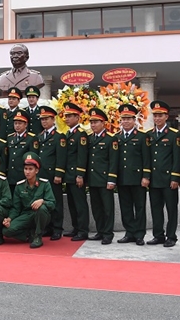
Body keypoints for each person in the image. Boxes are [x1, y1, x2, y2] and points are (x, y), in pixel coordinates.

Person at [147, 101, 180, 247]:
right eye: (155, 115)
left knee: (171, 209)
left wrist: (175, 177)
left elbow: (177, 158)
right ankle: (158, 235)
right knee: (156, 209)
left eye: (160, 115)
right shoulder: (149, 135)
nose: (157, 118)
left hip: (169, 180)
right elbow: (147, 158)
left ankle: (171, 236)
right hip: (154, 179)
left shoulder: (174, 135)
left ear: (166, 116)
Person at [2, 152, 56, 249]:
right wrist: (9, 219)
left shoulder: (45, 184)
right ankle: (28, 234)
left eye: (30, 169)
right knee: (6, 231)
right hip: (26, 215)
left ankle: (38, 236)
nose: (27, 172)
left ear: (36, 170)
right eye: (26, 169)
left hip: (40, 215)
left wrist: (42, 201)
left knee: (42, 208)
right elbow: (16, 208)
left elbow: (52, 204)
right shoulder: (19, 186)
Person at [115, 104, 151, 246]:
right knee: (126, 207)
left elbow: (146, 158)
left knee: (140, 207)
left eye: (129, 119)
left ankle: (139, 234)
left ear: (134, 120)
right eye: (123, 119)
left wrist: (146, 176)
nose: (126, 121)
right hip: (123, 178)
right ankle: (129, 232)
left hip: (138, 179)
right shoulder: (117, 137)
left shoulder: (142, 137)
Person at [86, 108, 118, 244]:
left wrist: (111, 179)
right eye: (91, 122)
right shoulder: (89, 139)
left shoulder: (111, 139)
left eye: (96, 122)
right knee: (96, 208)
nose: (93, 125)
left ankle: (108, 233)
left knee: (107, 208)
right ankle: (100, 231)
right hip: (93, 179)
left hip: (105, 180)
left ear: (103, 123)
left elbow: (113, 161)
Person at [36, 105, 66, 240]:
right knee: (44, 203)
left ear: (53, 120)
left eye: (46, 119)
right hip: (42, 175)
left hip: (53, 175)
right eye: (42, 119)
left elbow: (61, 157)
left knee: (56, 202)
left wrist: (59, 174)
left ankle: (57, 228)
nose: (44, 122)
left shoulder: (59, 137)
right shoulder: (40, 136)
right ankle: (47, 227)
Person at [61, 102, 89, 241]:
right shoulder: (68, 133)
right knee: (72, 204)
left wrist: (80, 175)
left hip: (76, 175)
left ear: (78, 118)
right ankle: (76, 228)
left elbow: (82, 156)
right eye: (66, 116)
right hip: (68, 175)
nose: (66, 119)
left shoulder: (81, 135)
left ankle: (83, 230)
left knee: (80, 204)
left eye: (70, 116)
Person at [5, 110, 38, 195]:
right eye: (15, 123)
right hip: (11, 175)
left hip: (23, 174)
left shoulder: (31, 138)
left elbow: (33, 158)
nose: (17, 126)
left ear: (26, 124)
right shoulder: (10, 138)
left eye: (20, 123)